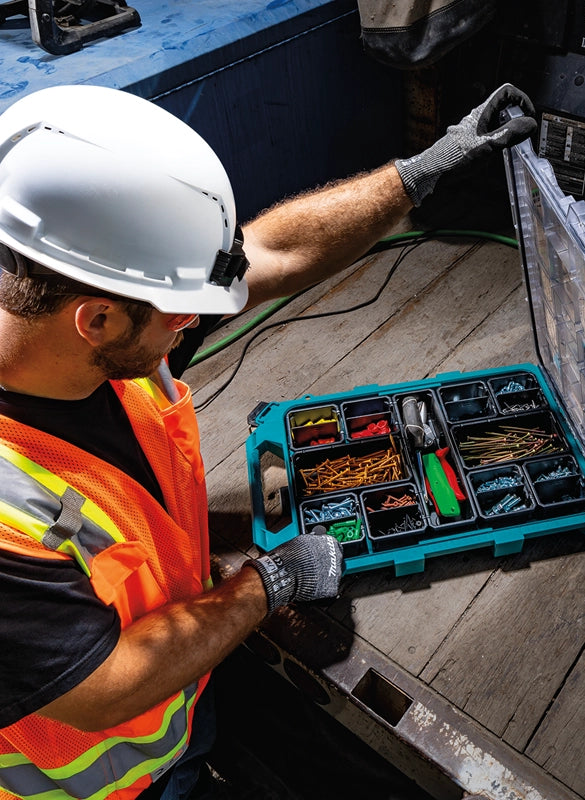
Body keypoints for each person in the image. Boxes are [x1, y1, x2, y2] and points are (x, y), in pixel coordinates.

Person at [0, 81, 536, 800]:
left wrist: (422, 170)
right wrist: (266, 584)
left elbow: (274, 250)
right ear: (96, 321)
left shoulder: (73, 311)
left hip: (186, 707)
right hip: (112, 782)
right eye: (181, 314)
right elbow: (108, 686)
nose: (195, 323)